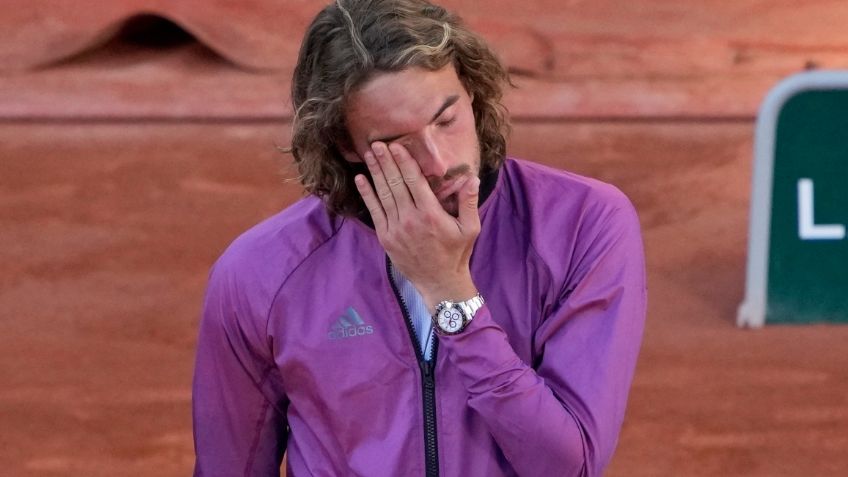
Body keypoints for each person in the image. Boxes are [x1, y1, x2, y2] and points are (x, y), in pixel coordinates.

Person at [191, 0, 647, 475]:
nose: (438, 160)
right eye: (398, 142)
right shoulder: (259, 273)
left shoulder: (584, 224)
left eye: (446, 120)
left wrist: (450, 293)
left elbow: (568, 466)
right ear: (346, 146)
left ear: (471, 92)